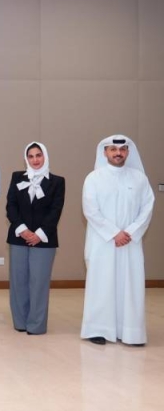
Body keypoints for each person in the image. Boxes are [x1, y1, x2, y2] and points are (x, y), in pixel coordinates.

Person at [81, 135, 154, 346]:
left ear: (128, 152)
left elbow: (147, 208)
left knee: (130, 286)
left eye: (122, 149)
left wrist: (129, 232)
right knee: (101, 284)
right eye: (113, 149)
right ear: (105, 152)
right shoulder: (93, 178)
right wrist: (114, 233)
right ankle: (98, 329)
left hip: (130, 242)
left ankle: (131, 332)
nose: (118, 153)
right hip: (102, 242)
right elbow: (91, 210)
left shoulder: (139, 179)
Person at [6, 142, 65, 335]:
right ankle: (20, 322)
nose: (35, 160)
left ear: (45, 156)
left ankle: (36, 325)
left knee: (39, 283)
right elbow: (11, 206)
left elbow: (55, 210)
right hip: (19, 236)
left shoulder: (57, 181)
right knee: (18, 282)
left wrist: (39, 234)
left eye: (38, 155)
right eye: (30, 156)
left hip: (44, 240)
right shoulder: (17, 177)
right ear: (26, 159)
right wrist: (23, 230)